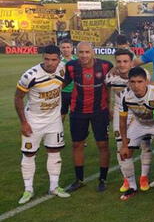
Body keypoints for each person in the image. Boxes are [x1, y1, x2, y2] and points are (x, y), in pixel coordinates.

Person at [15, 45, 70, 204]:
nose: (50, 63)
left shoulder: (62, 68)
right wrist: (24, 122)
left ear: (59, 59)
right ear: (42, 58)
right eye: (46, 59)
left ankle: (54, 186)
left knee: (54, 152)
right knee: (29, 153)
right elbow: (18, 98)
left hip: (54, 120)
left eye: (53, 60)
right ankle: (28, 189)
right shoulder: (30, 76)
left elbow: (64, 82)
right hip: (33, 121)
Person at [63, 42, 113, 192]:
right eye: (81, 52)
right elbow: (63, 83)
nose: (84, 55)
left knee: (103, 145)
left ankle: (103, 179)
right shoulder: (71, 66)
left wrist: (111, 107)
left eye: (87, 52)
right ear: (76, 53)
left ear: (93, 52)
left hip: (100, 110)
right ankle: (79, 179)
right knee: (77, 144)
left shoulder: (106, 66)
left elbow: (114, 83)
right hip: (78, 111)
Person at [106, 49, 154, 193]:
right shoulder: (110, 76)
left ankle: (144, 177)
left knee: (145, 145)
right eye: (119, 61)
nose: (122, 64)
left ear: (131, 62)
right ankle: (128, 179)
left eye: (125, 61)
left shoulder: (143, 74)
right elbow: (107, 91)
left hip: (138, 112)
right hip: (119, 112)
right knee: (121, 146)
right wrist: (110, 106)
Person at [117, 67, 154, 200]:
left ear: (146, 82)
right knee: (125, 154)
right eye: (132, 82)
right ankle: (132, 187)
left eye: (140, 81)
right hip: (139, 123)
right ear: (129, 82)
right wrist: (124, 144)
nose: (136, 85)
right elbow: (122, 122)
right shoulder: (125, 95)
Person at [59, 39, 76, 122]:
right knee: (62, 113)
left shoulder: (77, 60)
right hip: (63, 92)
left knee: (76, 113)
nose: (66, 49)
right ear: (60, 49)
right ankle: (59, 132)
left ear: (72, 48)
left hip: (76, 92)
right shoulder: (57, 62)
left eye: (68, 47)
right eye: (63, 47)